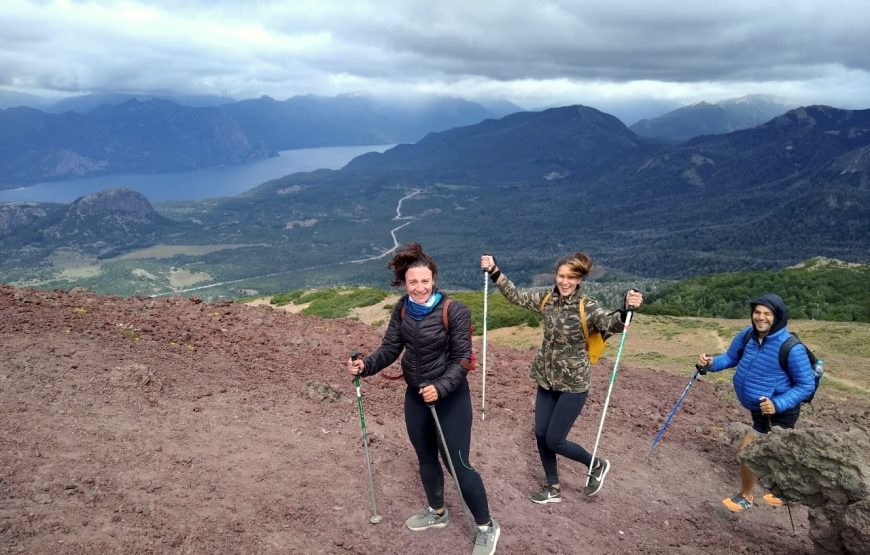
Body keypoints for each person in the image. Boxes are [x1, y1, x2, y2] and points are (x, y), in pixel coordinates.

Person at [348, 243, 500, 555]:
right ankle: (437, 511)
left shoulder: (453, 310)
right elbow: (391, 348)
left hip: (450, 398)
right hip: (416, 396)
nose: (419, 287)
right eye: (413, 282)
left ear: (434, 280)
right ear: (405, 282)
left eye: (425, 281)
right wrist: (366, 366)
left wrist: (441, 387)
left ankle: (486, 526)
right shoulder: (402, 308)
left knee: (457, 463)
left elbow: (464, 359)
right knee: (426, 458)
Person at [480, 252, 642, 503]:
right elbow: (516, 296)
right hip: (546, 379)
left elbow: (611, 323)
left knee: (555, 439)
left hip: (573, 385)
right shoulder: (547, 299)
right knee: (541, 434)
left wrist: (627, 310)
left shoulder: (586, 305)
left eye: (571, 277)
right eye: (561, 276)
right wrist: (494, 271)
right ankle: (552, 486)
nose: (565, 282)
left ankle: (596, 464)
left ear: (579, 280)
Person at [697, 293, 815, 513]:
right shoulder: (747, 336)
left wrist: (777, 404)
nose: (761, 317)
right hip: (759, 408)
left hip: (780, 411)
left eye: (767, 314)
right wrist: (711, 363)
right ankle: (783, 492)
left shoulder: (792, 348)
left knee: (748, 450)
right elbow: (731, 358)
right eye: (757, 312)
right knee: (777, 450)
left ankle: (746, 496)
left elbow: (805, 385)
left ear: (777, 316)